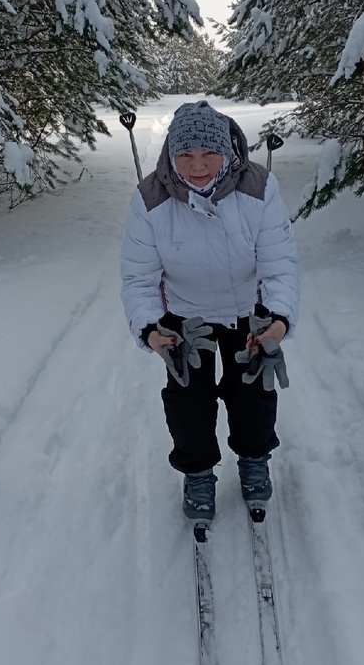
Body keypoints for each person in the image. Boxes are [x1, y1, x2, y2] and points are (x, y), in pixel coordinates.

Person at [120, 100, 299, 527]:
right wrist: (150, 330)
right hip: (185, 315)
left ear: (227, 152)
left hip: (247, 311)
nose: (197, 166)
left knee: (253, 391)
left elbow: (280, 263)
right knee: (188, 398)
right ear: (170, 155)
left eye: (207, 154)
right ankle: (198, 471)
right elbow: (139, 278)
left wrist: (277, 319)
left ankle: (254, 458)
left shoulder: (258, 187)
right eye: (185, 155)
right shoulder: (150, 198)